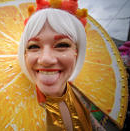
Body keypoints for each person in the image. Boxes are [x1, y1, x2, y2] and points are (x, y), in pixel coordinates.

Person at [18, 0, 109, 130]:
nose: (46, 59)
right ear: (24, 54)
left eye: (62, 45)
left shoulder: (79, 95)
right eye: (33, 46)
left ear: (76, 52)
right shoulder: (12, 111)